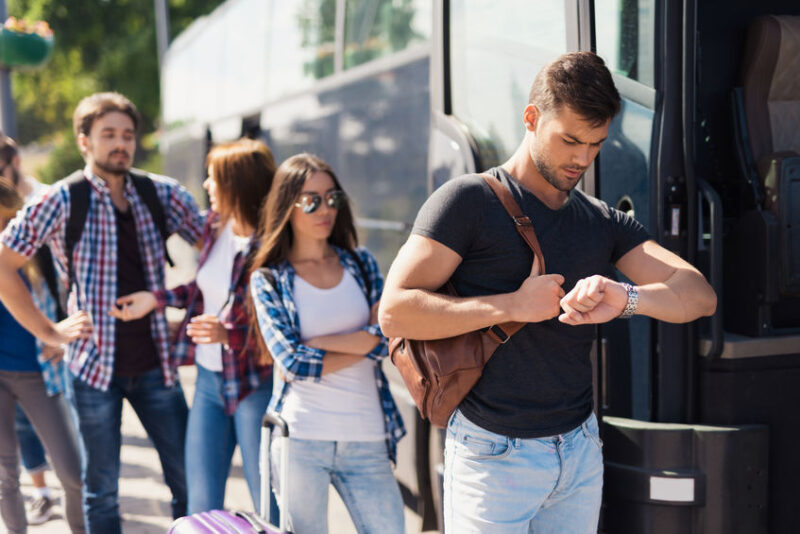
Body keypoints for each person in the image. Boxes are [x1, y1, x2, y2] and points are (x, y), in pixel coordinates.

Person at [378, 51, 717, 534]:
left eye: (596, 145)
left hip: (578, 454)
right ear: (532, 118)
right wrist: (512, 305)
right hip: (493, 457)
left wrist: (626, 299)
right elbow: (394, 312)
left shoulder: (600, 220)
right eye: (571, 140)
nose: (582, 158)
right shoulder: (467, 201)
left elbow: (698, 296)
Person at [0, 92, 205, 534]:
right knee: (101, 490)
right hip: (93, 369)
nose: (120, 144)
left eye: (127, 135)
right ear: (83, 142)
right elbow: (3, 263)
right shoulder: (60, 200)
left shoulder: (163, 194)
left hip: (159, 368)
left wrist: (170, 299)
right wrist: (50, 331)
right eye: (108, 134)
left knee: (190, 481)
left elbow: (222, 258)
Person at [110, 138, 276, 515]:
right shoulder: (217, 228)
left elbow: (281, 324)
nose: (206, 185)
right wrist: (157, 298)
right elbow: (205, 288)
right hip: (208, 383)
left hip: (254, 384)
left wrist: (227, 334)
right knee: (199, 505)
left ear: (237, 184)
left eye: (213, 177)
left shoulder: (272, 245)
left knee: (267, 503)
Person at [250, 153, 406, 534]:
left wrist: (321, 343)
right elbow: (292, 362)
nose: (325, 208)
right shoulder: (269, 279)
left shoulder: (362, 264)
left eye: (332, 198)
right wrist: (364, 343)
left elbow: (391, 336)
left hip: (368, 438)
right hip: (302, 439)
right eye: (311, 199)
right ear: (287, 204)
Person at [0, 182, 85, 534]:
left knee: (71, 470)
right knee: (5, 472)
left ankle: (81, 529)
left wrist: (59, 337)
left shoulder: (41, 256)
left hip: (41, 373)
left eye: (6, 222)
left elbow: (76, 298)